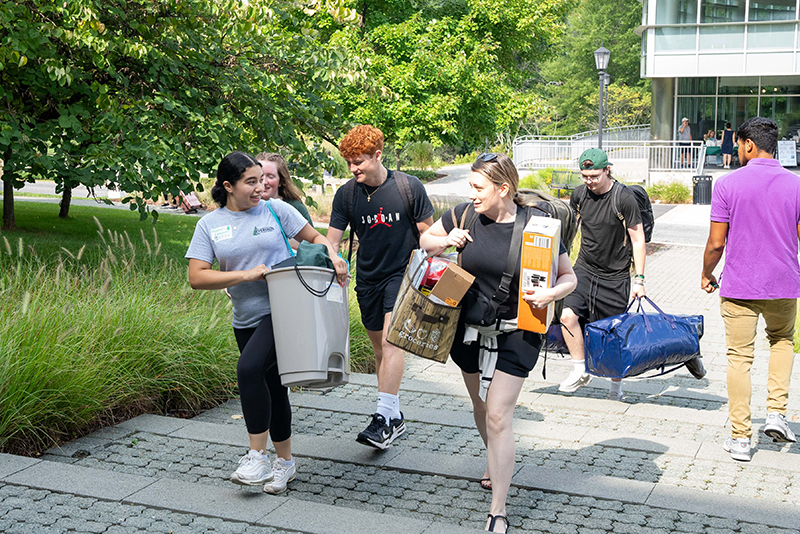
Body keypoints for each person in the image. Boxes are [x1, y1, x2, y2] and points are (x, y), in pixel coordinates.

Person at [420, 153, 576, 533]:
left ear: (503, 189)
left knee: (497, 414)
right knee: (480, 405)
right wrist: (444, 240)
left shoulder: (538, 227)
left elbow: (569, 277)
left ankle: (498, 509)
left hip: (520, 328)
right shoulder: (463, 215)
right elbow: (425, 240)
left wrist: (552, 293)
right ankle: (493, 457)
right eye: (470, 187)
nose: (471, 194)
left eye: (478, 187)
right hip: (468, 327)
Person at [186, 151, 347, 493]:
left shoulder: (276, 210)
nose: (261, 188)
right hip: (245, 318)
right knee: (273, 386)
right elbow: (196, 277)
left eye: (262, 180)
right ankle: (285, 463)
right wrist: (245, 276)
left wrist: (334, 256)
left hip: (286, 310)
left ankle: (256, 459)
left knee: (248, 370)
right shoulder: (209, 225)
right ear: (228, 186)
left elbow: (316, 238)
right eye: (251, 182)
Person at [326, 125, 434, 449]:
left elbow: (428, 236)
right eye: (348, 162)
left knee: (391, 343)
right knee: (379, 350)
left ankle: (382, 419)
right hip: (368, 278)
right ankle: (395, 415)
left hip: (403, 276)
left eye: (358, 161)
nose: (353, 168)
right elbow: (331, 241)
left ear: (377, 155)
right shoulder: (347, 194)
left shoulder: (407, 187)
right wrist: (333, 257)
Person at [701, 117, 800, 462]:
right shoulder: (796, 184)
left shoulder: (728, 184)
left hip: (740, 285)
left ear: (747, 145)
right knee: (782, 341)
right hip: (785, 285)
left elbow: (716, 243)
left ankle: (741, 439)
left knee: (739, 358)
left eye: (739, 145)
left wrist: (706, 273)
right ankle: (776, 414)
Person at [557, 148, 647, 400]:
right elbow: (570, 231)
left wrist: (639, 279)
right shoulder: (579, 195)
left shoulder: (624, 198)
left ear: (607, 170)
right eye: (585, 176)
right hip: (584, 269)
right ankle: (579, 370)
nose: (589, 181)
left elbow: (638, 240)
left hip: (616, 275)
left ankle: (616, 387)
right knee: (566, 314)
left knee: (613, 334)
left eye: (594, 176)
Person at [256, 152, 314, 226]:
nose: (264, 182)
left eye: (270, 177)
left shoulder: (295, 207)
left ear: (281, 181)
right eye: (260, 176)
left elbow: (311, 237)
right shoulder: (245, 207)